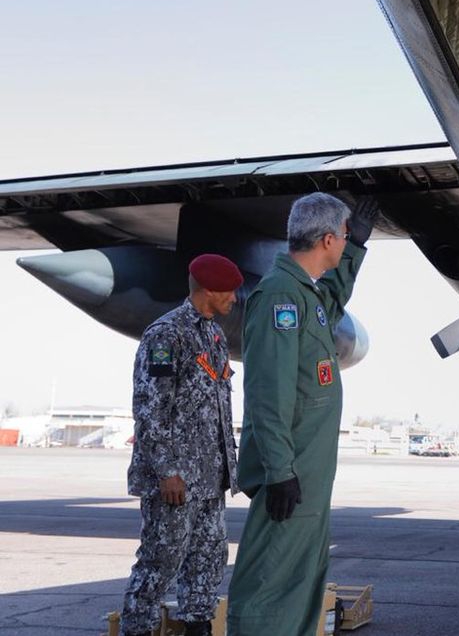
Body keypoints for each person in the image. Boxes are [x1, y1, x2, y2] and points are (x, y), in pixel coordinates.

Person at [227, 193, 377, 636]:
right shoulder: (279, 298)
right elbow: (267, 393)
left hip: (306, 468)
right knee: (270, 583)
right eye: (345, 236)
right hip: (290, 470)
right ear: (327, 238)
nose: (346, 241)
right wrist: (279, 471)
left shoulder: (303, 293)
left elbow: (330, 303)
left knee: (299, 583)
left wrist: (357, 249)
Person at [120, 254, 244, 636]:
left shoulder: (215, 335)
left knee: (208, 560)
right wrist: (168, 471)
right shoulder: (166, 334)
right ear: (208, 290)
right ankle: (136, 628)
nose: (234, 300)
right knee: (161, 561)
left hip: (209, 478)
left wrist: (229, 468)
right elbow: (151, 408)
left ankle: (198, 626)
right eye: (229, 292)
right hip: (175, 480)